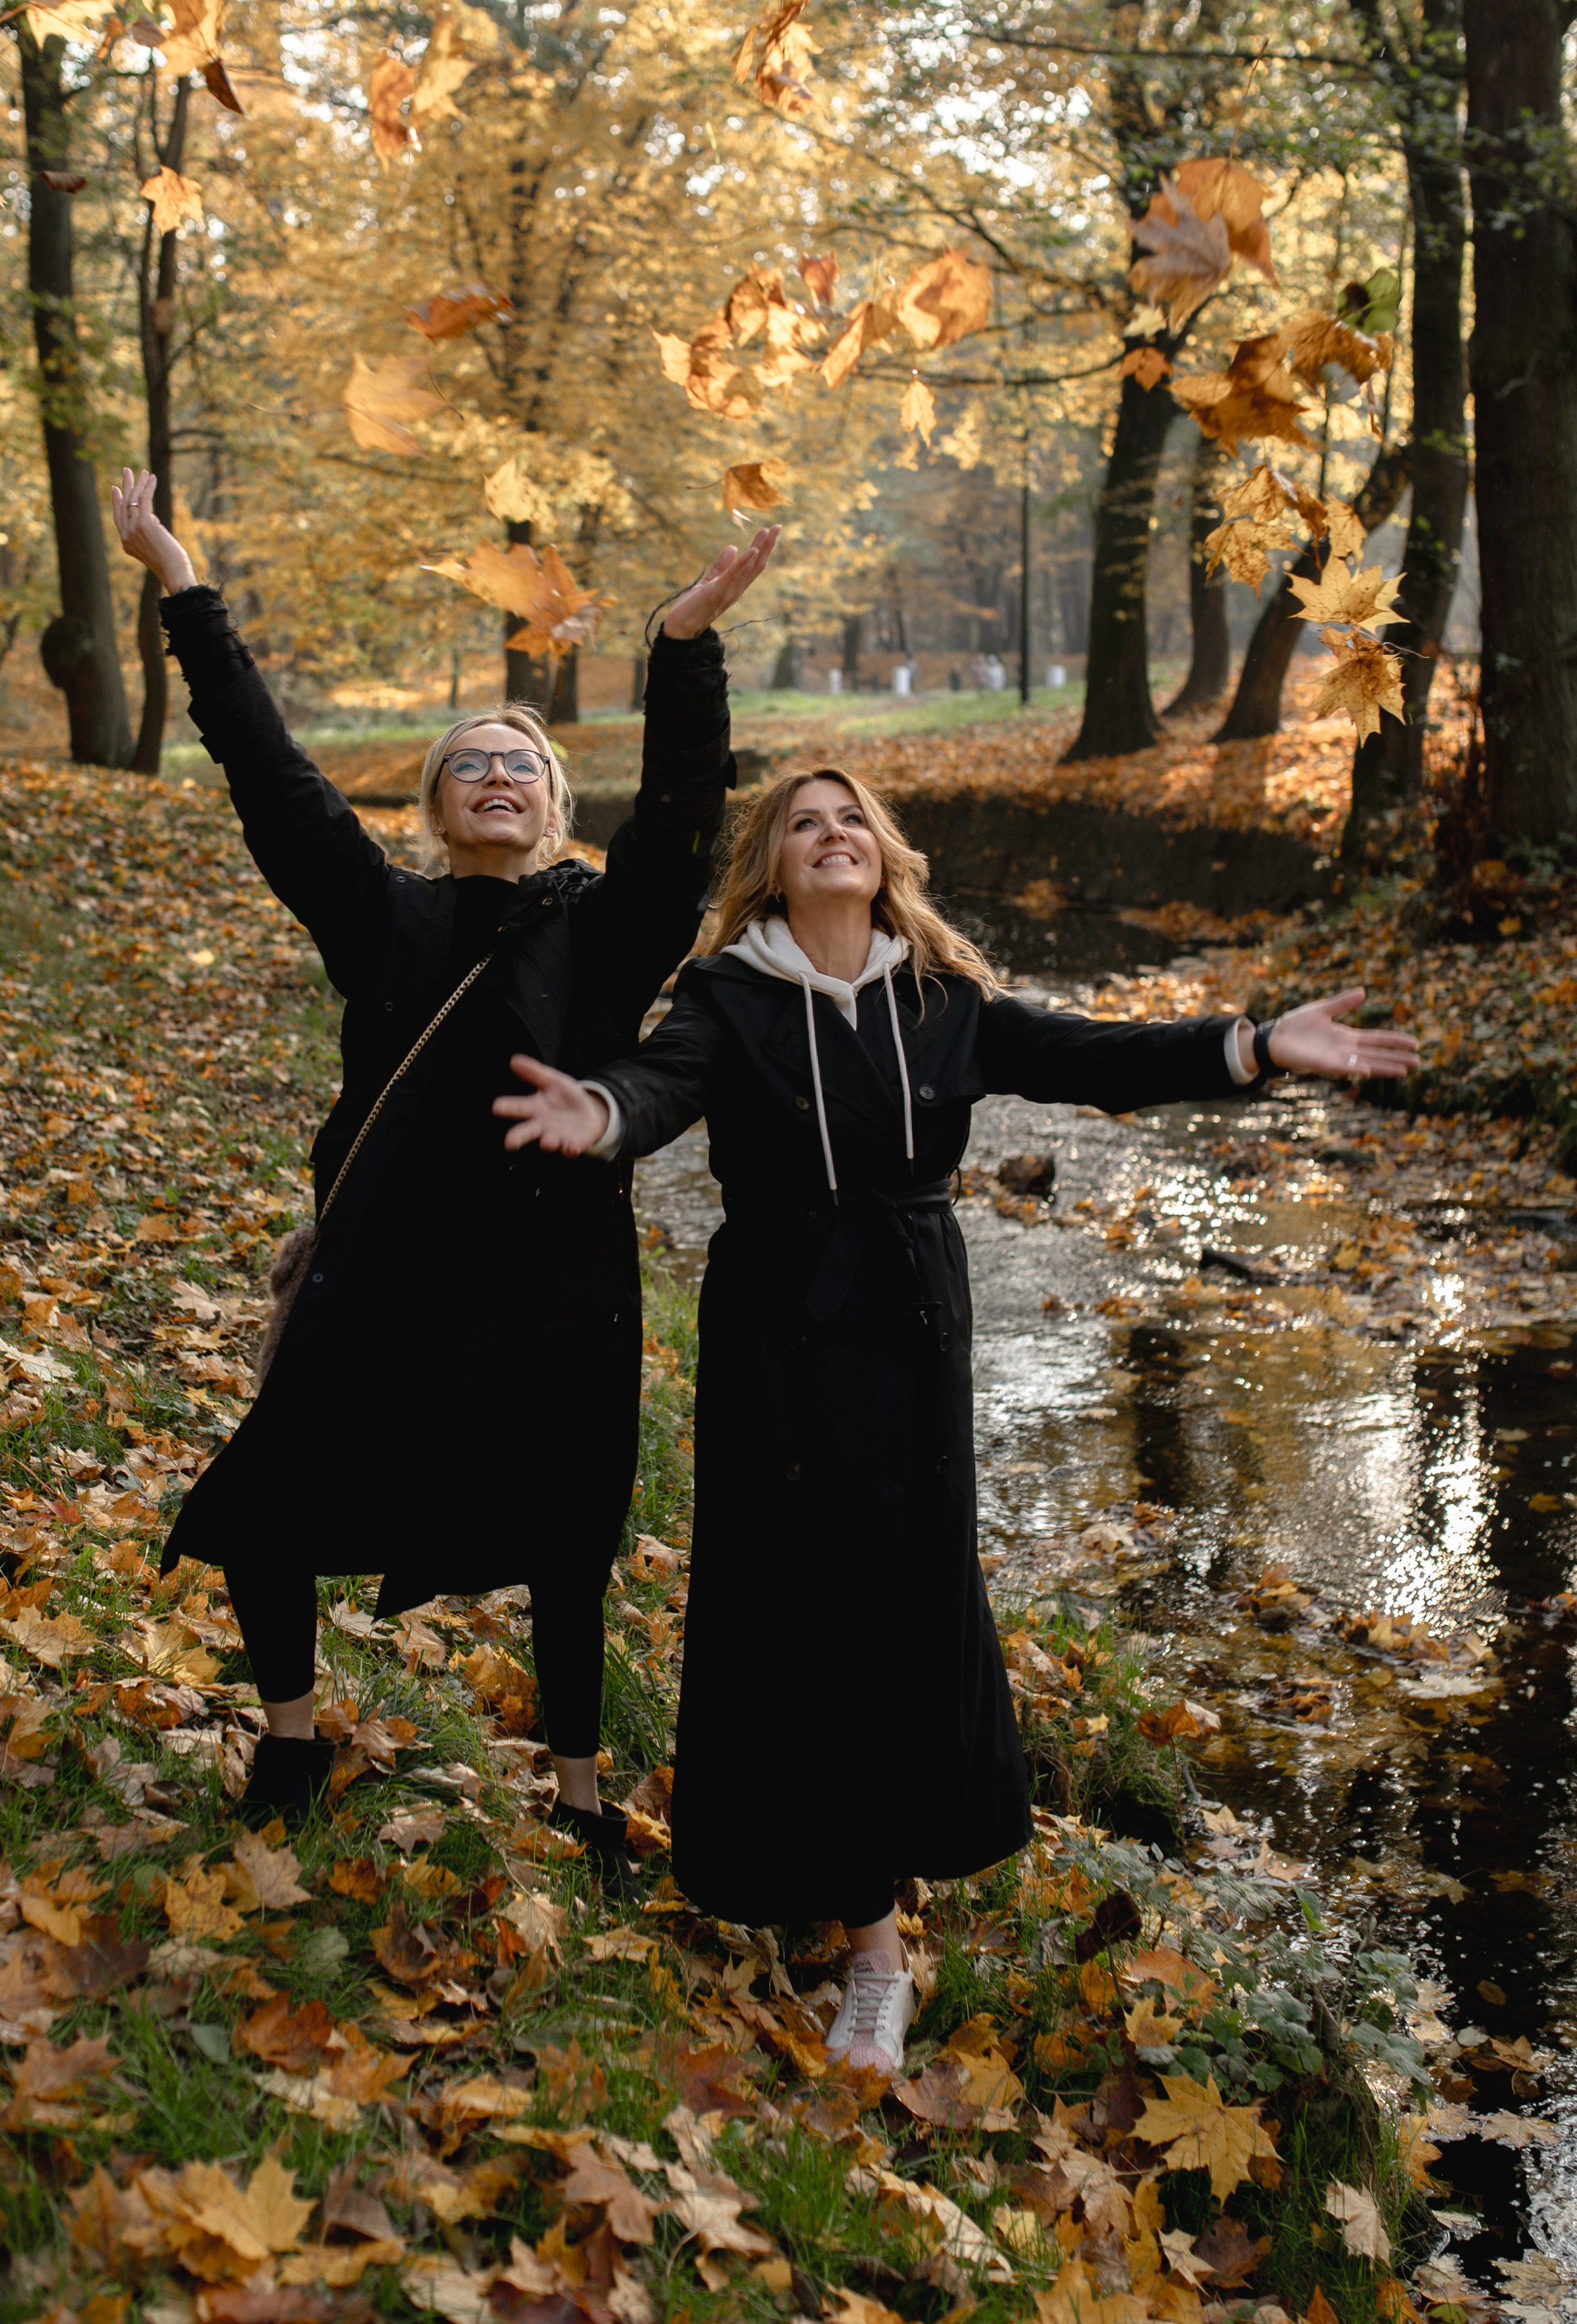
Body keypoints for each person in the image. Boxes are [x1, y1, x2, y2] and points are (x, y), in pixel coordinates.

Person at [493, 766, 1420, 2069]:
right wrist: (598, 1112)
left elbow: (1093, 1057)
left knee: (896, 1593)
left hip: (914, 1325)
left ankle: (874, 1912)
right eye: (805, 822)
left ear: (884, 855)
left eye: (850, 817)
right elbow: (660, 1084)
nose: (833, 833)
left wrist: (1256, 1044)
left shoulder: (944, 1001)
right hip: (775, 1326)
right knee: (788, 1592)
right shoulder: (728, 994)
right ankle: (857, 1920)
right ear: (770, 863)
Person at [109, 467, 777, 1842]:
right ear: (432, 803)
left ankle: (579, 1794)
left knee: (566, 1541)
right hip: (386, 1267)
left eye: (517, 762)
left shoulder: (607, 926)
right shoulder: (382, 916)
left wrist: (683, 647)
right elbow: (270, 774)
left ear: (551, 801)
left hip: (556, 1278)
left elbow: (679, 820)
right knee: (273, 1496)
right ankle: (289, 1741)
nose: (491, 774)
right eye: (466, 761)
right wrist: (181, 583)